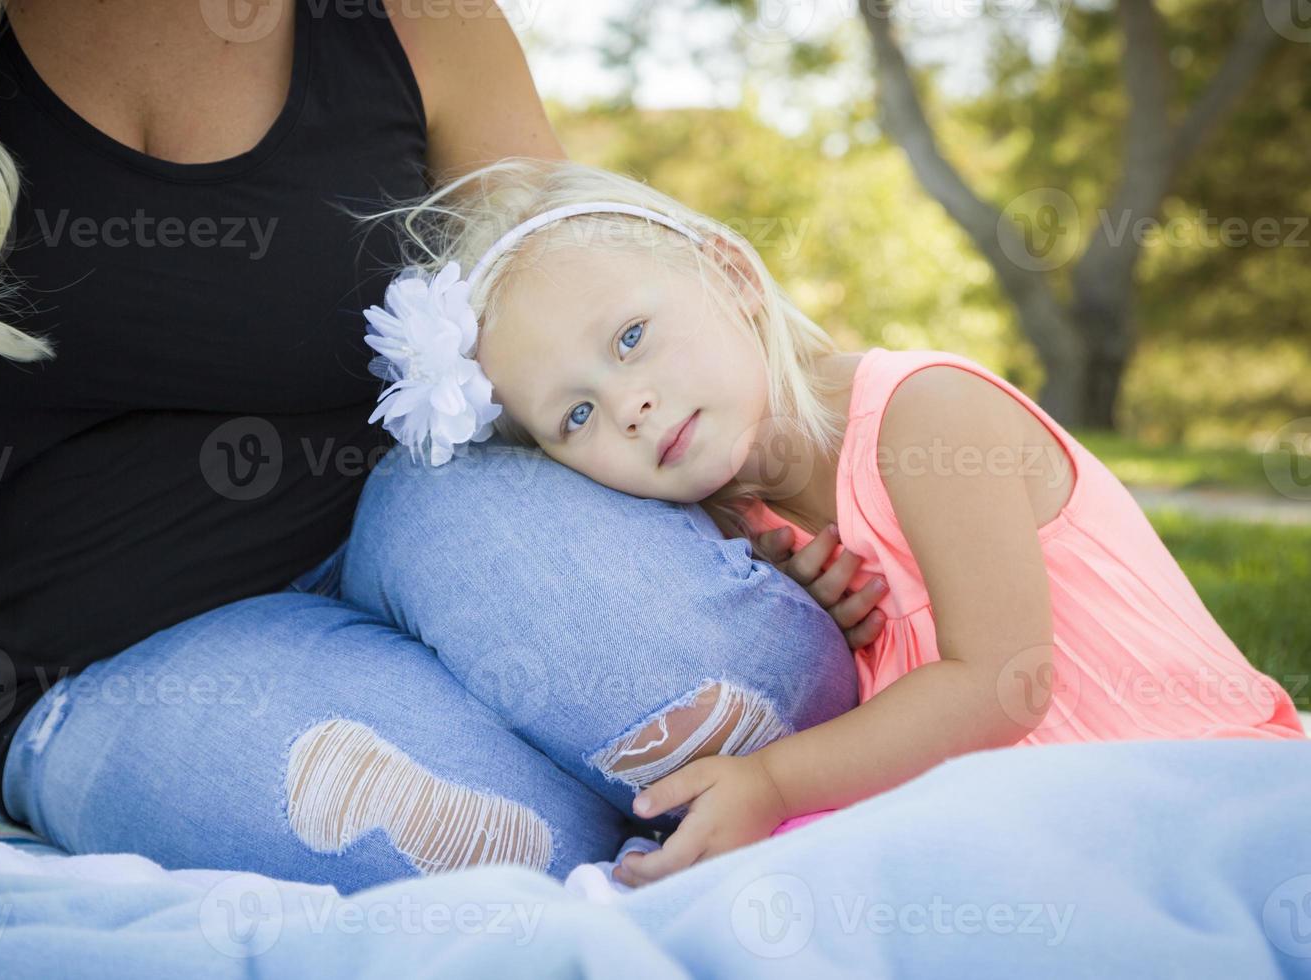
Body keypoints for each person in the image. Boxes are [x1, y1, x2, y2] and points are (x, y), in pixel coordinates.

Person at [0, 1, 873, 892]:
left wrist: (730, 530)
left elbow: (587, 325)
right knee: (483, 838)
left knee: (752, 683)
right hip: (126, 652)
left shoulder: (423, 24)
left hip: (436, 519)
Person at [353, 156, 1308, 887]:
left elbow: (1001, 687)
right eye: (575, 416)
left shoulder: (928, 417)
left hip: (1167, 774)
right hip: (998, 816)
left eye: (632, 339)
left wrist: (770, 784)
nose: (629, 406)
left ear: (728, 274)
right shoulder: (748, 530)